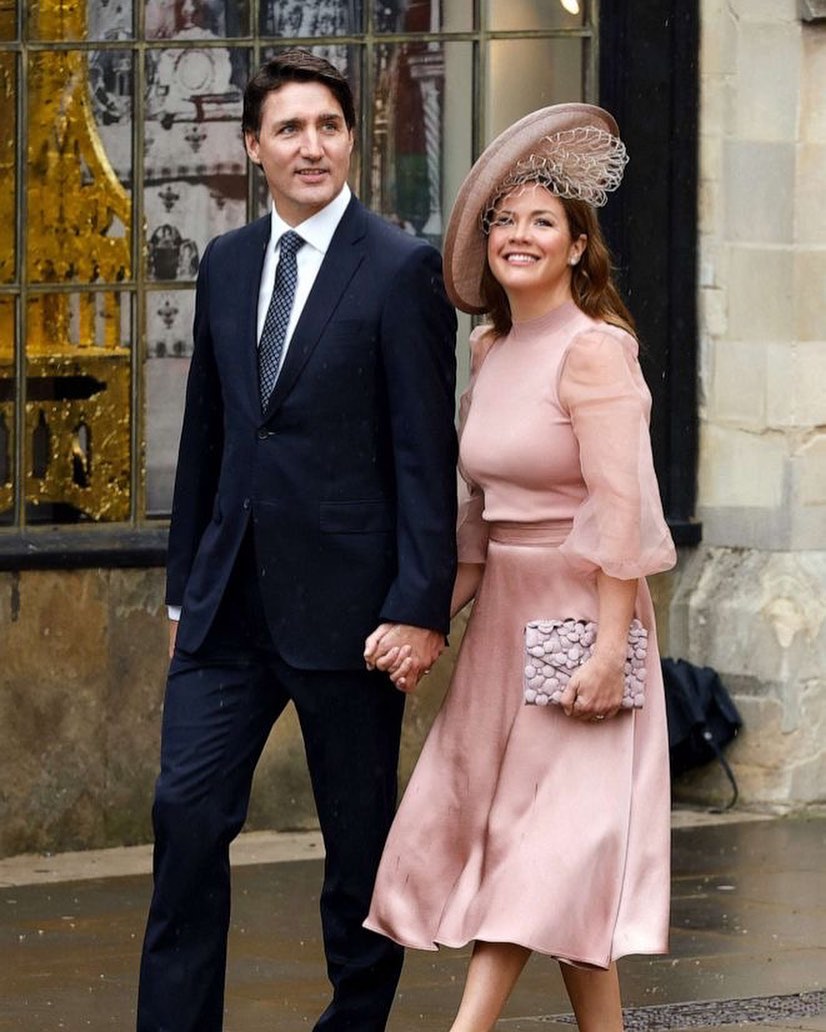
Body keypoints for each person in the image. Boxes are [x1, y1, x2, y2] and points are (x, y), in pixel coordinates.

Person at [136, 49, 458, 1032]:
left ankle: (351, 1024)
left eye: (327, 126)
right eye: (288, 129)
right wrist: (183, 588)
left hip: (351, 612)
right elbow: (209, 435)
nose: (310, 146)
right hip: (227, 603)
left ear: (351, 139)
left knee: (357, 853)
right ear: (252, 147)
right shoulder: (228, 264)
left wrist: (417, 603)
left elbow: (422, 453)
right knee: (185, 821)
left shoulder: (401, 267)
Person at [365, 103, 677, 1032]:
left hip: (584, 623)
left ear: (580, 248)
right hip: (506, 624)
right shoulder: (492, 347)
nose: (519, 236)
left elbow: (621, 512)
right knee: (546, 858)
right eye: (506, 221)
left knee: (536, 848)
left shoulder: (596, 351)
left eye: (544, 222)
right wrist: (426, 615)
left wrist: (605, 649)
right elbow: (479, 517)